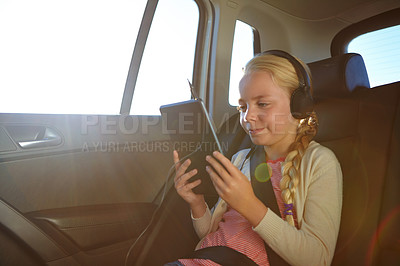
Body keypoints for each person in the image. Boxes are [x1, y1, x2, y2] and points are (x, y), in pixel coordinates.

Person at [168, 51, 343, 265]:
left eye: (262, 104)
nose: (247, 116)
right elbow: (211, 235)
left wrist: (249, 205)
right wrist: (197, 204)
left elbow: (318, 259)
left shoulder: (319, 162)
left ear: (299, 105)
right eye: (243, 107)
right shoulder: (241, 159)